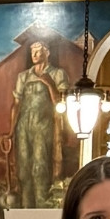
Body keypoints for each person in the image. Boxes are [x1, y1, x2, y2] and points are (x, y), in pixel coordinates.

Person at [9, 38, 70, 208]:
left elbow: (61, 104)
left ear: (47, 52)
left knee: (40, 169)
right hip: (24, 126)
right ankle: (26, 211)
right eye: (32, 52)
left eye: (38, 51)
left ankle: (43, 211)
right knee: (23, 171)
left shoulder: (58, 74)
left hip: (44, 126)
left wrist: (50, 85)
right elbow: (16, 105)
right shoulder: (24, 76)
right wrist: (10, 131)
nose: (35, 55)